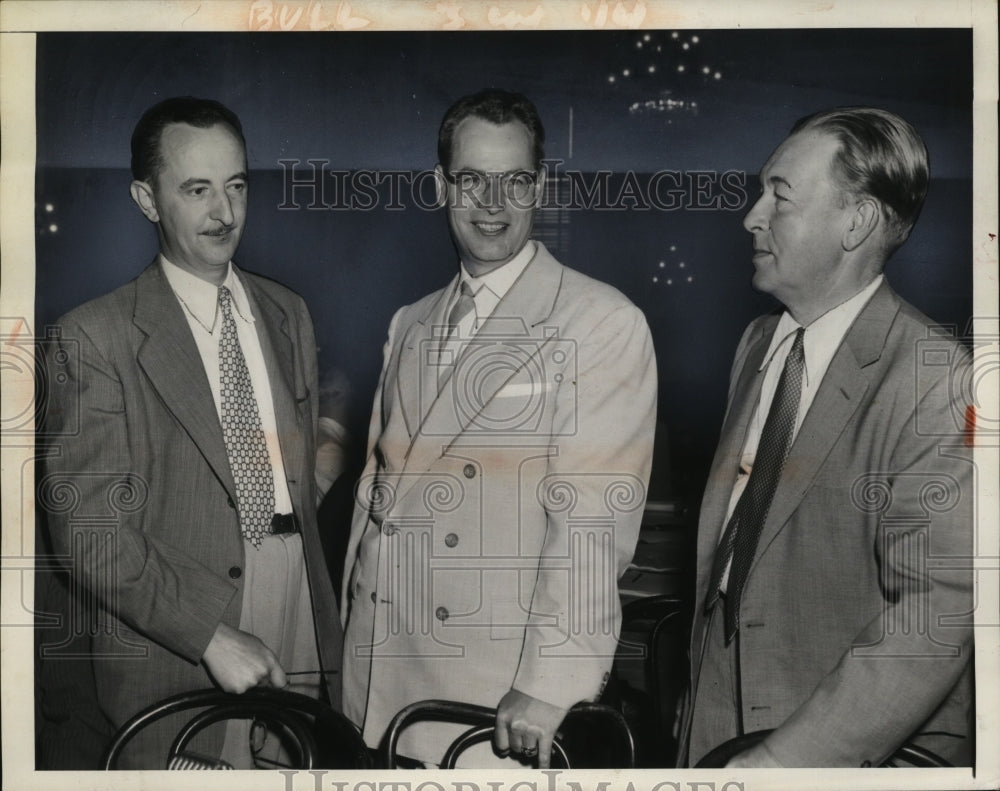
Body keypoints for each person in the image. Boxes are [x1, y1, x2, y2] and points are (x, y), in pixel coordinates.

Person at [340, 88, 657, 768]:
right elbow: (380, 500)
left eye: (514, 181)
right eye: (472, 180)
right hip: (376, 675)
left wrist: (551, 685)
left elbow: (593, 524)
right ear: (440, 187)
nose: (493, 203)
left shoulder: (600, 320)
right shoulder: (409, 321)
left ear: (538, 187)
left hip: (489, 699)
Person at [36, 96, 343, 769]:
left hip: (296, 599)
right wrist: (208, 635)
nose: (224, 213)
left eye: (237, 186)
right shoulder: (95, 336)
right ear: (146, 200)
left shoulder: (287, 312)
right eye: (197, 190)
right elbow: (88, 530)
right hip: (182, 631)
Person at [679, 107, 975, 768]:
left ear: (857, 221)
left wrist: (785, 762)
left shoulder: (935, 379)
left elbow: (936, 616)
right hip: (716, 709)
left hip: (835, 743)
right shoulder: (758, 342)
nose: (751, 216)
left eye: (779, 195)